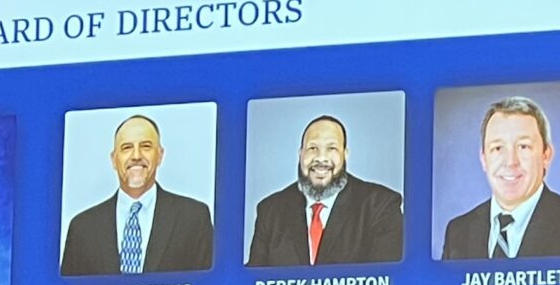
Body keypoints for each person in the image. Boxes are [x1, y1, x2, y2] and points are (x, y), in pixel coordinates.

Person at [439, 97, 560, 259]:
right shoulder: (458, 232)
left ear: (546, 155)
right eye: (497, 148)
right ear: (483, 159)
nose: (510, 162)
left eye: (523, 146)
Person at [61, 114, 215, 275]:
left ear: (160, 155)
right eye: (127, 148)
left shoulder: (194, 218)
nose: (136, 156)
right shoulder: (82, 227)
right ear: (114, 159)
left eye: (146, 146)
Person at [245, 115, 405, 267]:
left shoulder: (381, 206)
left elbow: (388, 280)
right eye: (312, 148)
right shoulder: (270, 211)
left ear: (345, 154)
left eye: (331, 148)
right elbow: (252, 282)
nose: (321, 158)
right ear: (300, 154)